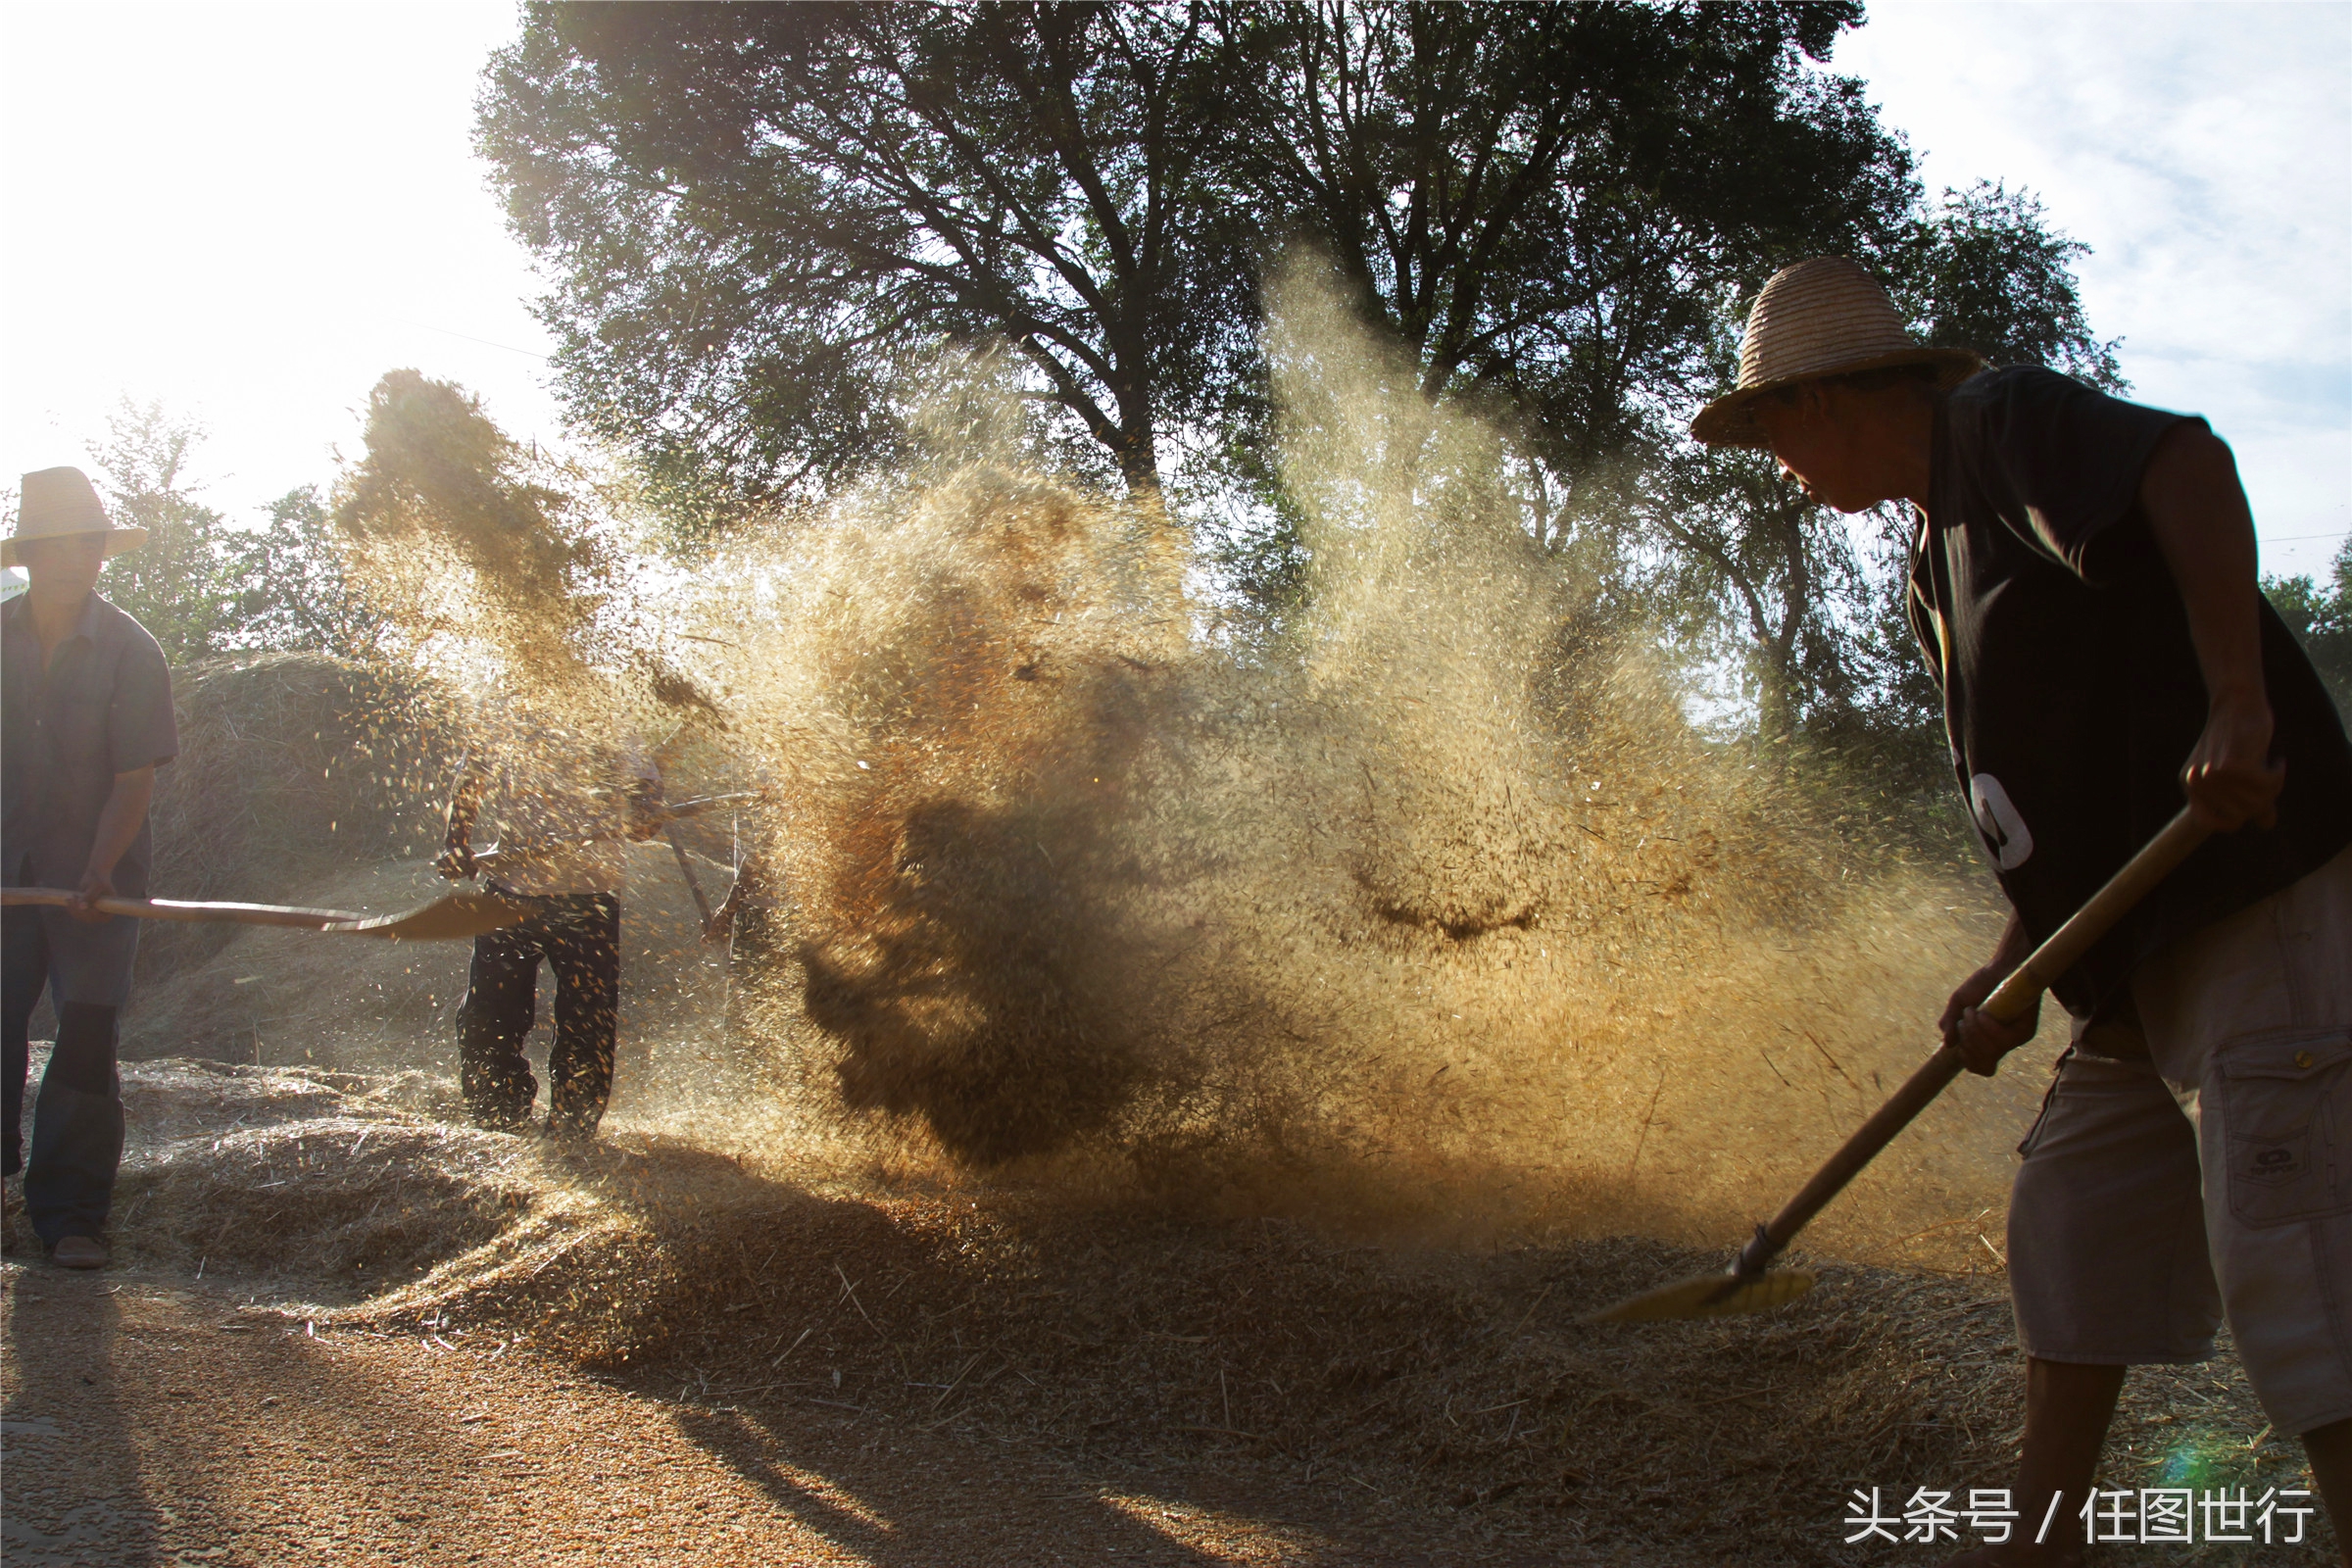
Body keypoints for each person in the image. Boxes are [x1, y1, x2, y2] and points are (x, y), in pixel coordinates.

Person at [1692, 257, 2352, 1566]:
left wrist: (2241, 704)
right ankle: (2038, 1548)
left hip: (2252, 906)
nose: (1776, 462)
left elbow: (2190, 468)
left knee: (2305, 1280)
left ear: (1823, 406)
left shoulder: (1999, 428)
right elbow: (2063, 808)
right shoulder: (1938, 564)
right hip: (2133, 961)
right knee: (2072, 1224)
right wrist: (2013, 967)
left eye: (1770, 429)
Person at [2, 466, 179, 1270]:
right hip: (5, 873)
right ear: (32, 553)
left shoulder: (131, 652)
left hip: (97, 887)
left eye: (93, 543)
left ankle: (71, 1215)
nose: (80, 558)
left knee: (83, 1036)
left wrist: (100, 871)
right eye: (63, 543)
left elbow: (132, 779)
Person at [436, 718, 668, 1139]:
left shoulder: (605, 722)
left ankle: (572, 1129)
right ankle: (499, 1118)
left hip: (588, 898)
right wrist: (456, 842)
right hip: (510, 890)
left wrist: (645, 812)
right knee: (487, 1014)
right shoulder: (501, 715)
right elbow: (468, 785)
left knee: (587, 1019)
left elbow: (646, 815)